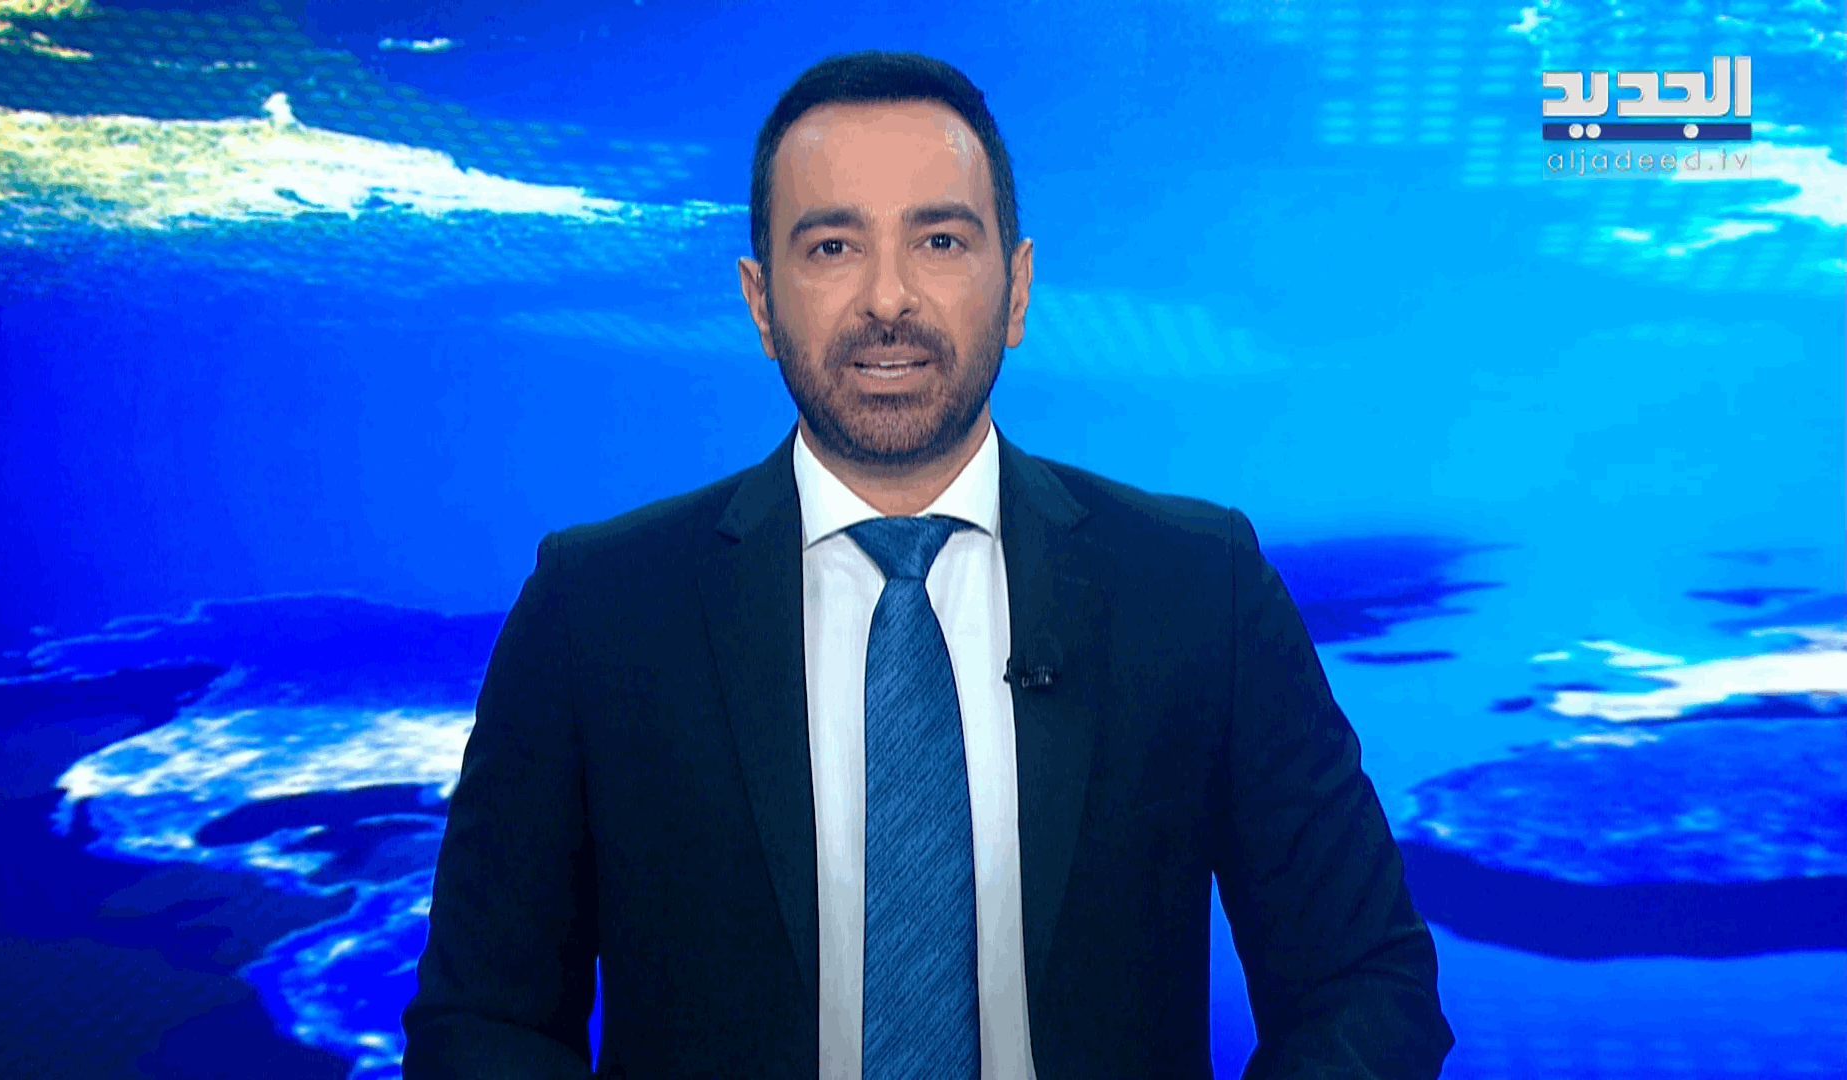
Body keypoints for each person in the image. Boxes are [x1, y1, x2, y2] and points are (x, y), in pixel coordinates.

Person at [401, 50, 1454, 1080]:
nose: (888, 298)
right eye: (832, 247)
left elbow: (1368, 984)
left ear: (1018, 288)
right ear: (761, 302)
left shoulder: (1197, 586)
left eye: (940, 241)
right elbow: (481, 1024)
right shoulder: (596, 610)